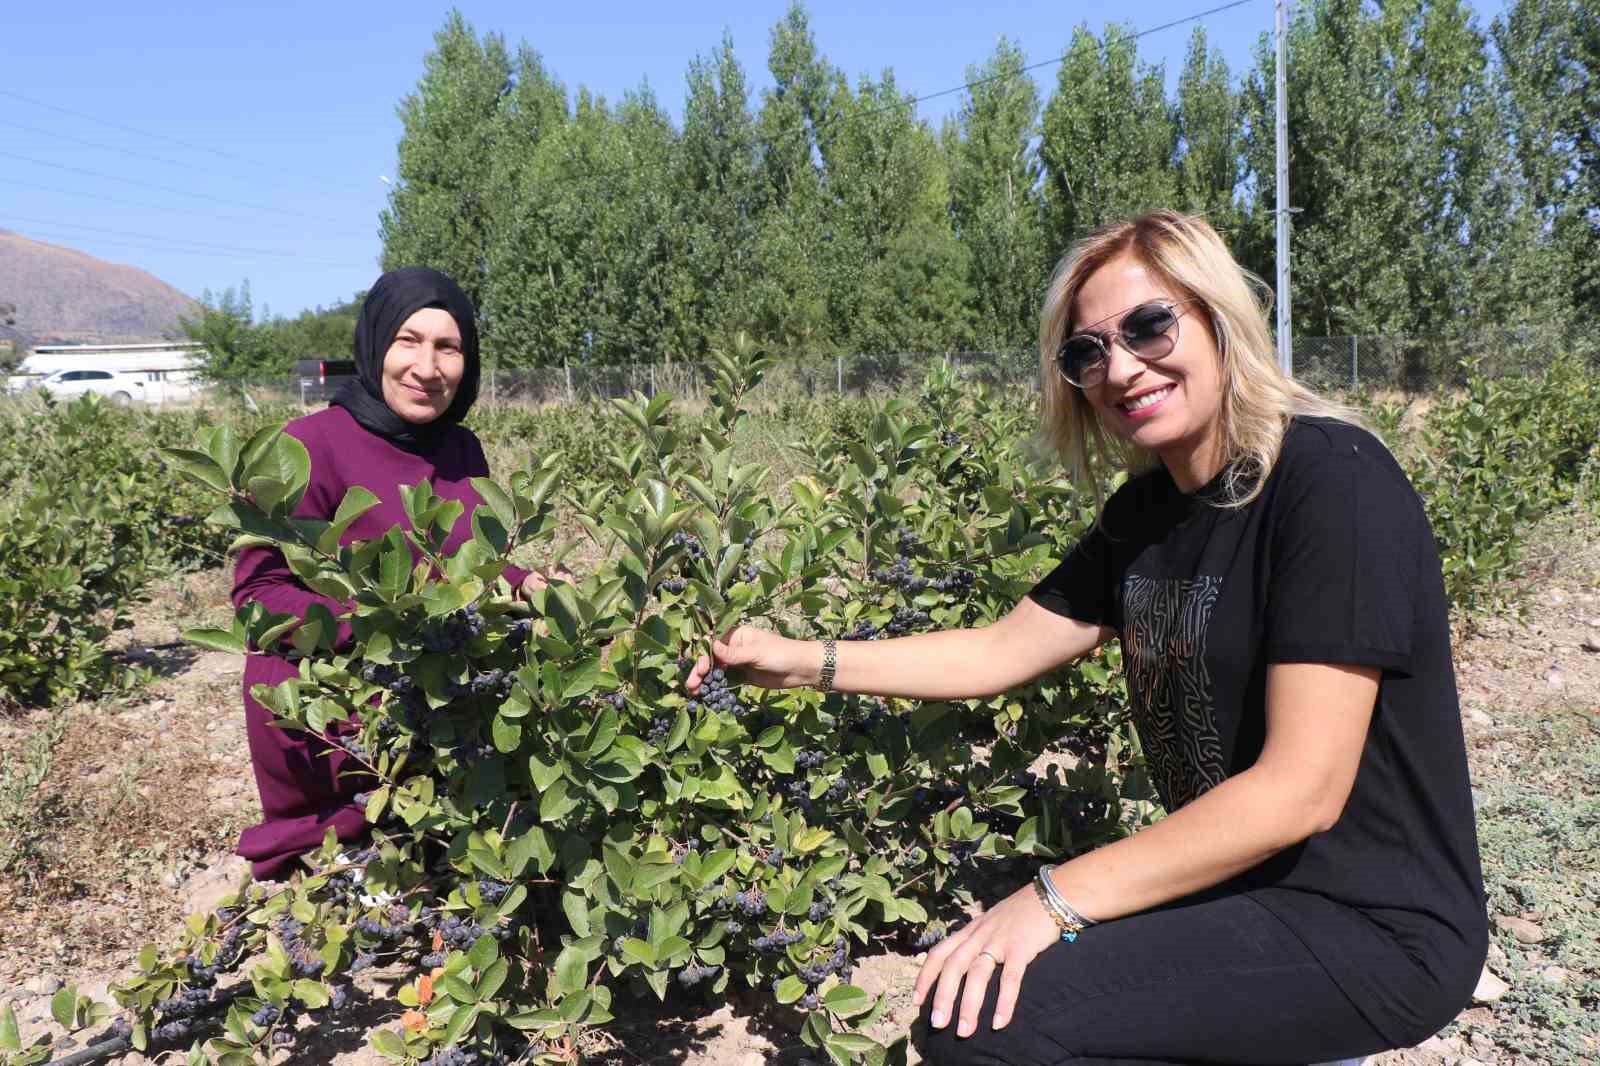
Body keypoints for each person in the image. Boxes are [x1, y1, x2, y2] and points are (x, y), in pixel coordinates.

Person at [687, 211, 1486, 1064]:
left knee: (990, 1029)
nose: (1121, 367)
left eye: (1149, 326)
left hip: (1372, 923)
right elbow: (1001, 651)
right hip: (1243, 893)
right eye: (1087, 352)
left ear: (1218, 318)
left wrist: (1051, 898)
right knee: (980, 1012)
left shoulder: (1330, 479)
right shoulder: (1147, 515)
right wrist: (804, 661)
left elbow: (1301, 791)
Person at [232, 266, 558, 880]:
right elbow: (259, 598)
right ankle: (333, 835)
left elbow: (474, 554)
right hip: (348, 690)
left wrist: (524, 583)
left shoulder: (460, 448)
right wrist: (379, 624)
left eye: (448, 347)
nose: (427, 367)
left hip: (440, 683)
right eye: (408, 340)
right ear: (376, 343)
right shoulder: (306, 446)